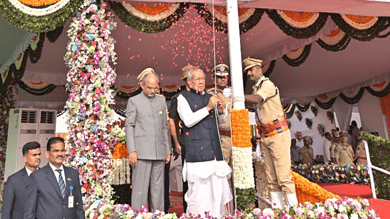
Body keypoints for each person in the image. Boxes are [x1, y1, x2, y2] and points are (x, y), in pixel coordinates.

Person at [243, 57, 298, 208]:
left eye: (251, 70)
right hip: (266, 136)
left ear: (260, 70)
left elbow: (257, 100)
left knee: (284, 178)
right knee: (271, 179)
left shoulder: (266, 85)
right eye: (247, 71)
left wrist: (237, 97)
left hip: (278, 134)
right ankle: (278, 211)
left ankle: (295, 212)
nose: (249, 73)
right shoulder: (257, 87)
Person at [177, 68, 232, 217]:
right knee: (199, 196)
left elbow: (220, 123)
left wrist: (220, 111)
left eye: (203, 78)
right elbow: (187, 121)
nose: (201, 82)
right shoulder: (183, 97)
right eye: (197, 79)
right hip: (198, 154)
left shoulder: (210, 96)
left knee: (217, 194)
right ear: (190, 82)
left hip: (215, 153)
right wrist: (208, 107)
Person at [126, 68, 171, 212]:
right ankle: (138, 215)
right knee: (140, 189)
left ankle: (158, 215)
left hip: (159, 152)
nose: (153, 91)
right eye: (149, 88)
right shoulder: (134, 101)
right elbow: (129, 126)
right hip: (141, 152)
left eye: (155, 88)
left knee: (158, 190)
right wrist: (132, 150)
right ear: (141, 84)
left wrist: (167, 150)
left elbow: (165, 127)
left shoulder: (160, 101)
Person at [24, 137, 84, 219]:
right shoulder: (36, 177)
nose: (60, 154)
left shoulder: (73, 174)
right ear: (47, 154)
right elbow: (29, 211)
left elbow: (79, 207)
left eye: (62, 150)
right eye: (56, 151)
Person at [168, 64, 193, 212]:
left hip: (204, 142)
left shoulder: (205, 96)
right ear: (186, 80)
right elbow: (172, 120)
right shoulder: (178, 98)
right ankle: (188, 210)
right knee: (187, 176)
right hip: (186, 140)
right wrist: (176, 142)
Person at [2, 142, 41, 219]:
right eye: (34, 155)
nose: (38, 157)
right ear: (25, 158)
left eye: (39, 154)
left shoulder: (48, 177)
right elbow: (6, 210)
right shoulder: (13, 180)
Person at [207, 63, 233, 166]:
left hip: (236, 136)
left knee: (238, 171)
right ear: (214, 79)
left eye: (225, 77)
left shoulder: (234, 92)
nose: (223, 79)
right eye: (220, 77)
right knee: (223, 169)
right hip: (222, 137)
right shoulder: (210, 94)